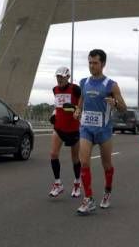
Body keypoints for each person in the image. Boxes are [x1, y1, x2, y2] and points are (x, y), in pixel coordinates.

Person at [73, 49, 127, 215]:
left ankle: (107, 191)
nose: (92, 66)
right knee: (84, 163)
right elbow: (81, 102)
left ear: (103, 64)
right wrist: (77, 111)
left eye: (95, 63)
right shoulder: (84, 82)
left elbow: (124, 108)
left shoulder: (111, 85)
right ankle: (88, 199)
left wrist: (114, 103)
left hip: (103, 130)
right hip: (86, 129)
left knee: (106, 165)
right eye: (90, 62)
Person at [48, 67, 82, 198]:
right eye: (57, 77)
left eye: (62, 77)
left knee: (75, 159)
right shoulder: (55, 90)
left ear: (68, 77)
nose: (59, 79)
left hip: (73, 129)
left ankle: (77, 183)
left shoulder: (75, 89)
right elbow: (58, 105)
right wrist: (54, 113)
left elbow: (82, 101)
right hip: (59, 127)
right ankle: (58, 184)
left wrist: (78, 109)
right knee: (53, 154)